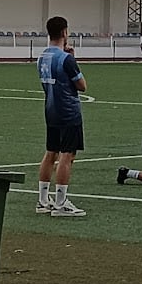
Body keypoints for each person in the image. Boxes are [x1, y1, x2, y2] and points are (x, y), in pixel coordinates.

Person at [36, 16, 87, 217]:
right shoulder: (66, 59)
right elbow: (82, 86)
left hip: (51, 110)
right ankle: (61, 202)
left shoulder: (42, 57)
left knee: (50, 153)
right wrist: (73, 60)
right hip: (68, 112)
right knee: (67, 155)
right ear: (65, 32)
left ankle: (42, 200)